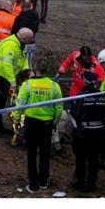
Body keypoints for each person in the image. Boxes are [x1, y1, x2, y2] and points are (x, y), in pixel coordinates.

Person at [14, 65, 63, 193]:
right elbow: (59, 108)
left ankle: (33, 184)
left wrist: (17, 119)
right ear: (47, 71)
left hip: (31, 123)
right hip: (47, 124)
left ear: (35, 71)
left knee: (31, 154)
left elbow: (20, 104)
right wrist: (54, 122)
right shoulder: (54, 86)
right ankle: (43, 181)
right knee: (45, 153)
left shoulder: (27, 85)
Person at [0, 27, 33, 135]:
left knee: (1, 100)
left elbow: (23, 59)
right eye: (31, 38)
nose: (32, 40)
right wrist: (13, 82)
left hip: (2, 75)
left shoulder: (20, 44)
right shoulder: (11, 45)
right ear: (25, 38)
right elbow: (7, 65)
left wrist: (27, 72)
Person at [70, 70, 105, 192]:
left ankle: (81, 183)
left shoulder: (81, 97)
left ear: (85, 81)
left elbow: (75, 113)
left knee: (81, 158)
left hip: (84, 132)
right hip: (99, 131)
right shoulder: (103, 96)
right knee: (93, 158)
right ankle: (91, 184)